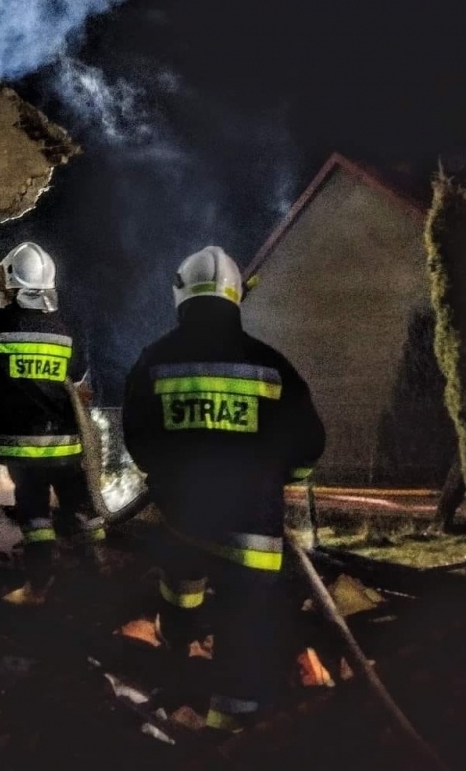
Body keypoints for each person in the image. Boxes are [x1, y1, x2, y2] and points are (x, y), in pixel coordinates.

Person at [121, 245, 325, 733]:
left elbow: (138, 439)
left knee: (180, 587)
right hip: (253, 530)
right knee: (243, 636)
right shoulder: (272, 365)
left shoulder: (155, 361)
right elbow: (309, 447)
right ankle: (227, 735)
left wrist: (169, 476)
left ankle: (176, 644)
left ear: (181, 295)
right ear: (236, 297)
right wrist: (279, 480)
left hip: (181, 521)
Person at [0, 241, 106, 604]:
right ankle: (102, 573)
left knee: (36, 517)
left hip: (22, 449)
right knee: (84, 509)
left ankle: (39, 587)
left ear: (12, 280)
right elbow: (77, 373)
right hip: (65, 446)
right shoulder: (66, 329)